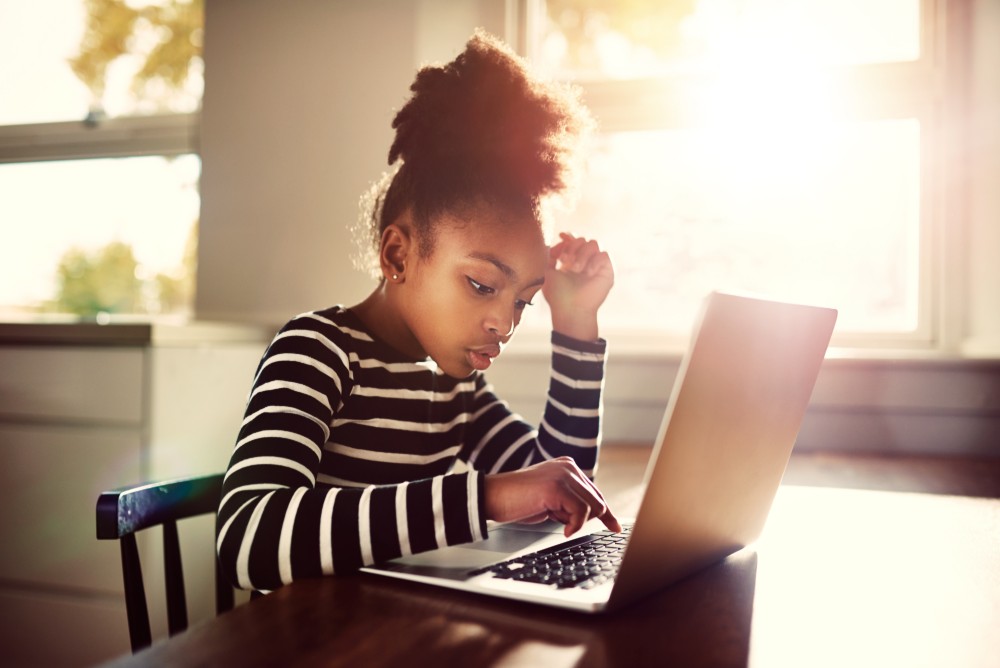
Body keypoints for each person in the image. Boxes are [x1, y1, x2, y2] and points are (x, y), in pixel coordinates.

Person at [216, 30, 621, 592]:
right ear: (398, 255)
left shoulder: (454, 386)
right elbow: (249, 543)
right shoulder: (316, 352)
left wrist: (575, 326)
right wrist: (486, 497)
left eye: (523, 301)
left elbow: (563, 487)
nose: (504, 323)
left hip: (393, 634)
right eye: (482, 284)